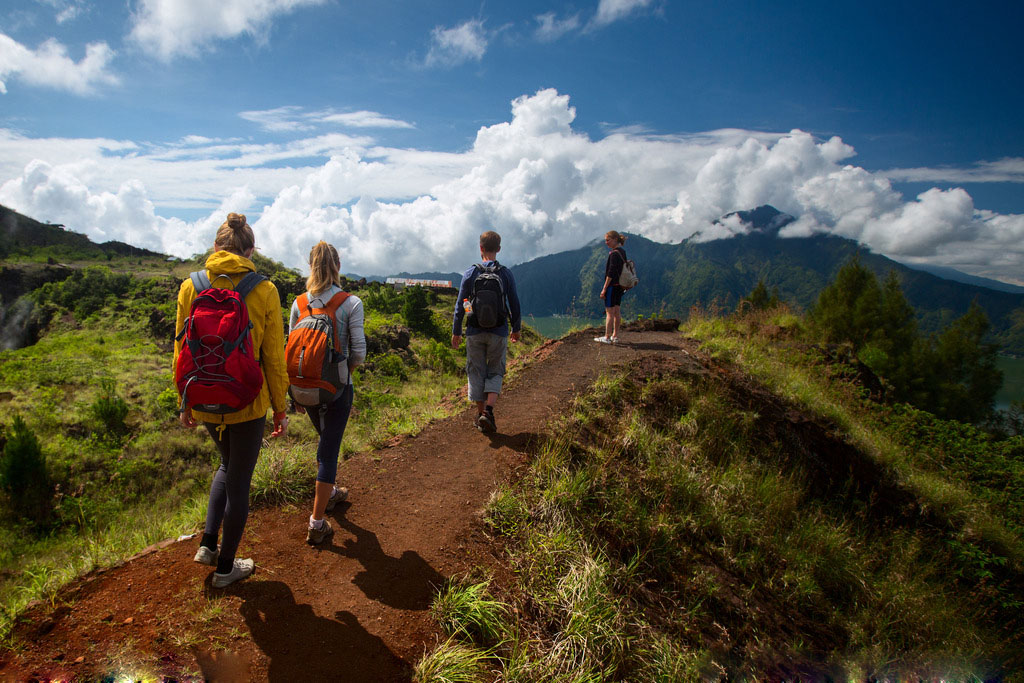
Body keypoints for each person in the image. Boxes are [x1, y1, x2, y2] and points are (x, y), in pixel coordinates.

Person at [174, 212, 289, 588]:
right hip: (247, 402)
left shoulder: (190, 286)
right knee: (239, 480)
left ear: (215, 247)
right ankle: (226, 569)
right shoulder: (265, 289)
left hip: (205, 397)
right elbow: (273, 356)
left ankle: (208, 545)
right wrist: (280, 408)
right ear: (251, 250)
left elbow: (179, 351)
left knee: (226, 465)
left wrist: (185, 402)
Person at [290, 242, 366, 545]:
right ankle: (317, 522)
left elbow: (291, 348)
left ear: (311, 266)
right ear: (338, 265)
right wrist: (344, 370)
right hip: (337, 388)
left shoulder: (299, 303)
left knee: (325, 441)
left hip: (304, 388)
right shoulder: (351, 303)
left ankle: (330, 491)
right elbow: (358, 353)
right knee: (329, 452)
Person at [451, 230, 521, 433]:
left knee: (476, 370)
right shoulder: (505, 273)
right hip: (499, 331)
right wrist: (516, 328)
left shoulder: (471, 273)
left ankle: (481, 414)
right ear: (499, 249)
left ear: (480, 248)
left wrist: (458, 329)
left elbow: (462, 302)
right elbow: (514, 302)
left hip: (474, 330)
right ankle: (488, 411)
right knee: (495, 370)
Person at [595, 230, 628, 344]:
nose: (606, 242)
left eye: (608, 240)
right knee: (617, 311)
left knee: (609, 312)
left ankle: (607, 337)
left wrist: (604, 288)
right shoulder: (622, 252)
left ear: (615, 239)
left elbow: (611, 272)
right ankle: (615, 336)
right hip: (620, 287)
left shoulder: (613, 254)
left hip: (612, 286)